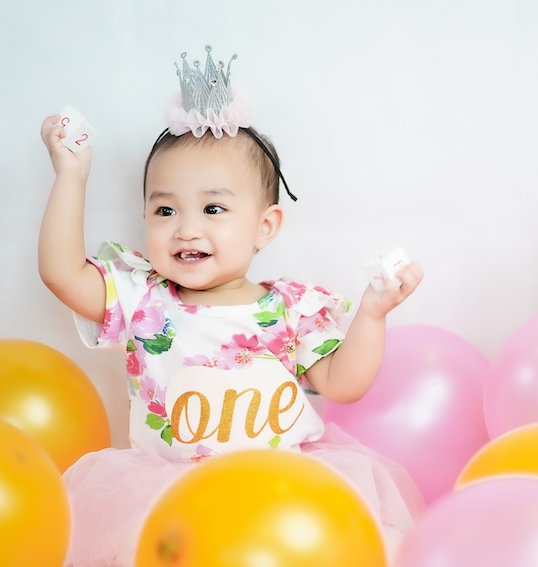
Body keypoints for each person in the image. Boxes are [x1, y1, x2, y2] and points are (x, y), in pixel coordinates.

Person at [38, 47, 425, 566]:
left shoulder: (290, 308)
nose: (186, 227)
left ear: (264, 226)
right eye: (165, 209)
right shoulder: (143, 297)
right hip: (175, 503)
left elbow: (343, 383)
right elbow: (62, 274)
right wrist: (71, 176)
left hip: (281, 495)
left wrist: (373, 314)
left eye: (213, 208)